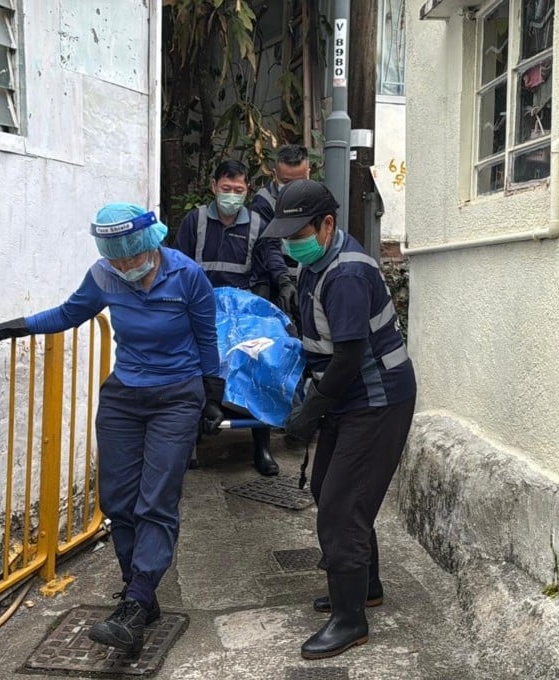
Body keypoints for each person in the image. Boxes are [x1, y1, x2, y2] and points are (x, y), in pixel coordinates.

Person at [0, 203, 226, 654]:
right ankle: (139, 595)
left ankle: (134, 603)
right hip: (124, 397)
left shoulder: (187, 276)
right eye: (116, 258)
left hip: (176, 396)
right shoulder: (104, 276)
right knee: (118, 500)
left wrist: (212, 394)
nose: (124, 266)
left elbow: (207, 337)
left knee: (156, 501)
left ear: (151, 243)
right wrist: (8, 328)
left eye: (130, 256)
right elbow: (68, 313)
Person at [260, 180, 417, 660]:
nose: (290, 244)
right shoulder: (316, 261)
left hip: (375, 399)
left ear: (327, 225)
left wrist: (311, 411)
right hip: (352, 397)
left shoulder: (345, 274)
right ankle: (364, 586)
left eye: (298, 233)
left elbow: (349, 358)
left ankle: (350, 621)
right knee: (328, 485)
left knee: (340, 506)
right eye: (284, 236)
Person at [173, 159, 297, 477]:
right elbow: (178, 263)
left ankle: (262, 445)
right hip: (202, 306)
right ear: (214, 186)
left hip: (242, 308)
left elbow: (270, 255)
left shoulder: (257, 223)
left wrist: (283, 281)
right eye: (226, 189)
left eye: (238, 189)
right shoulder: (195, 221)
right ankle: (192, 438)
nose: (232, 195)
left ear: (247, 190)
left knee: (263, 357)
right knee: (191, 359)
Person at [250, 144, 310, 296]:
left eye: (299, 181)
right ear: (274, 174)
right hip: (277, 279)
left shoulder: (315, 196)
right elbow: (268, 247)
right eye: (286, 181)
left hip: (309, 274)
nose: (292, 188)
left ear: (308, 174)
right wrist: (284, 281)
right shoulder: (263, 202)